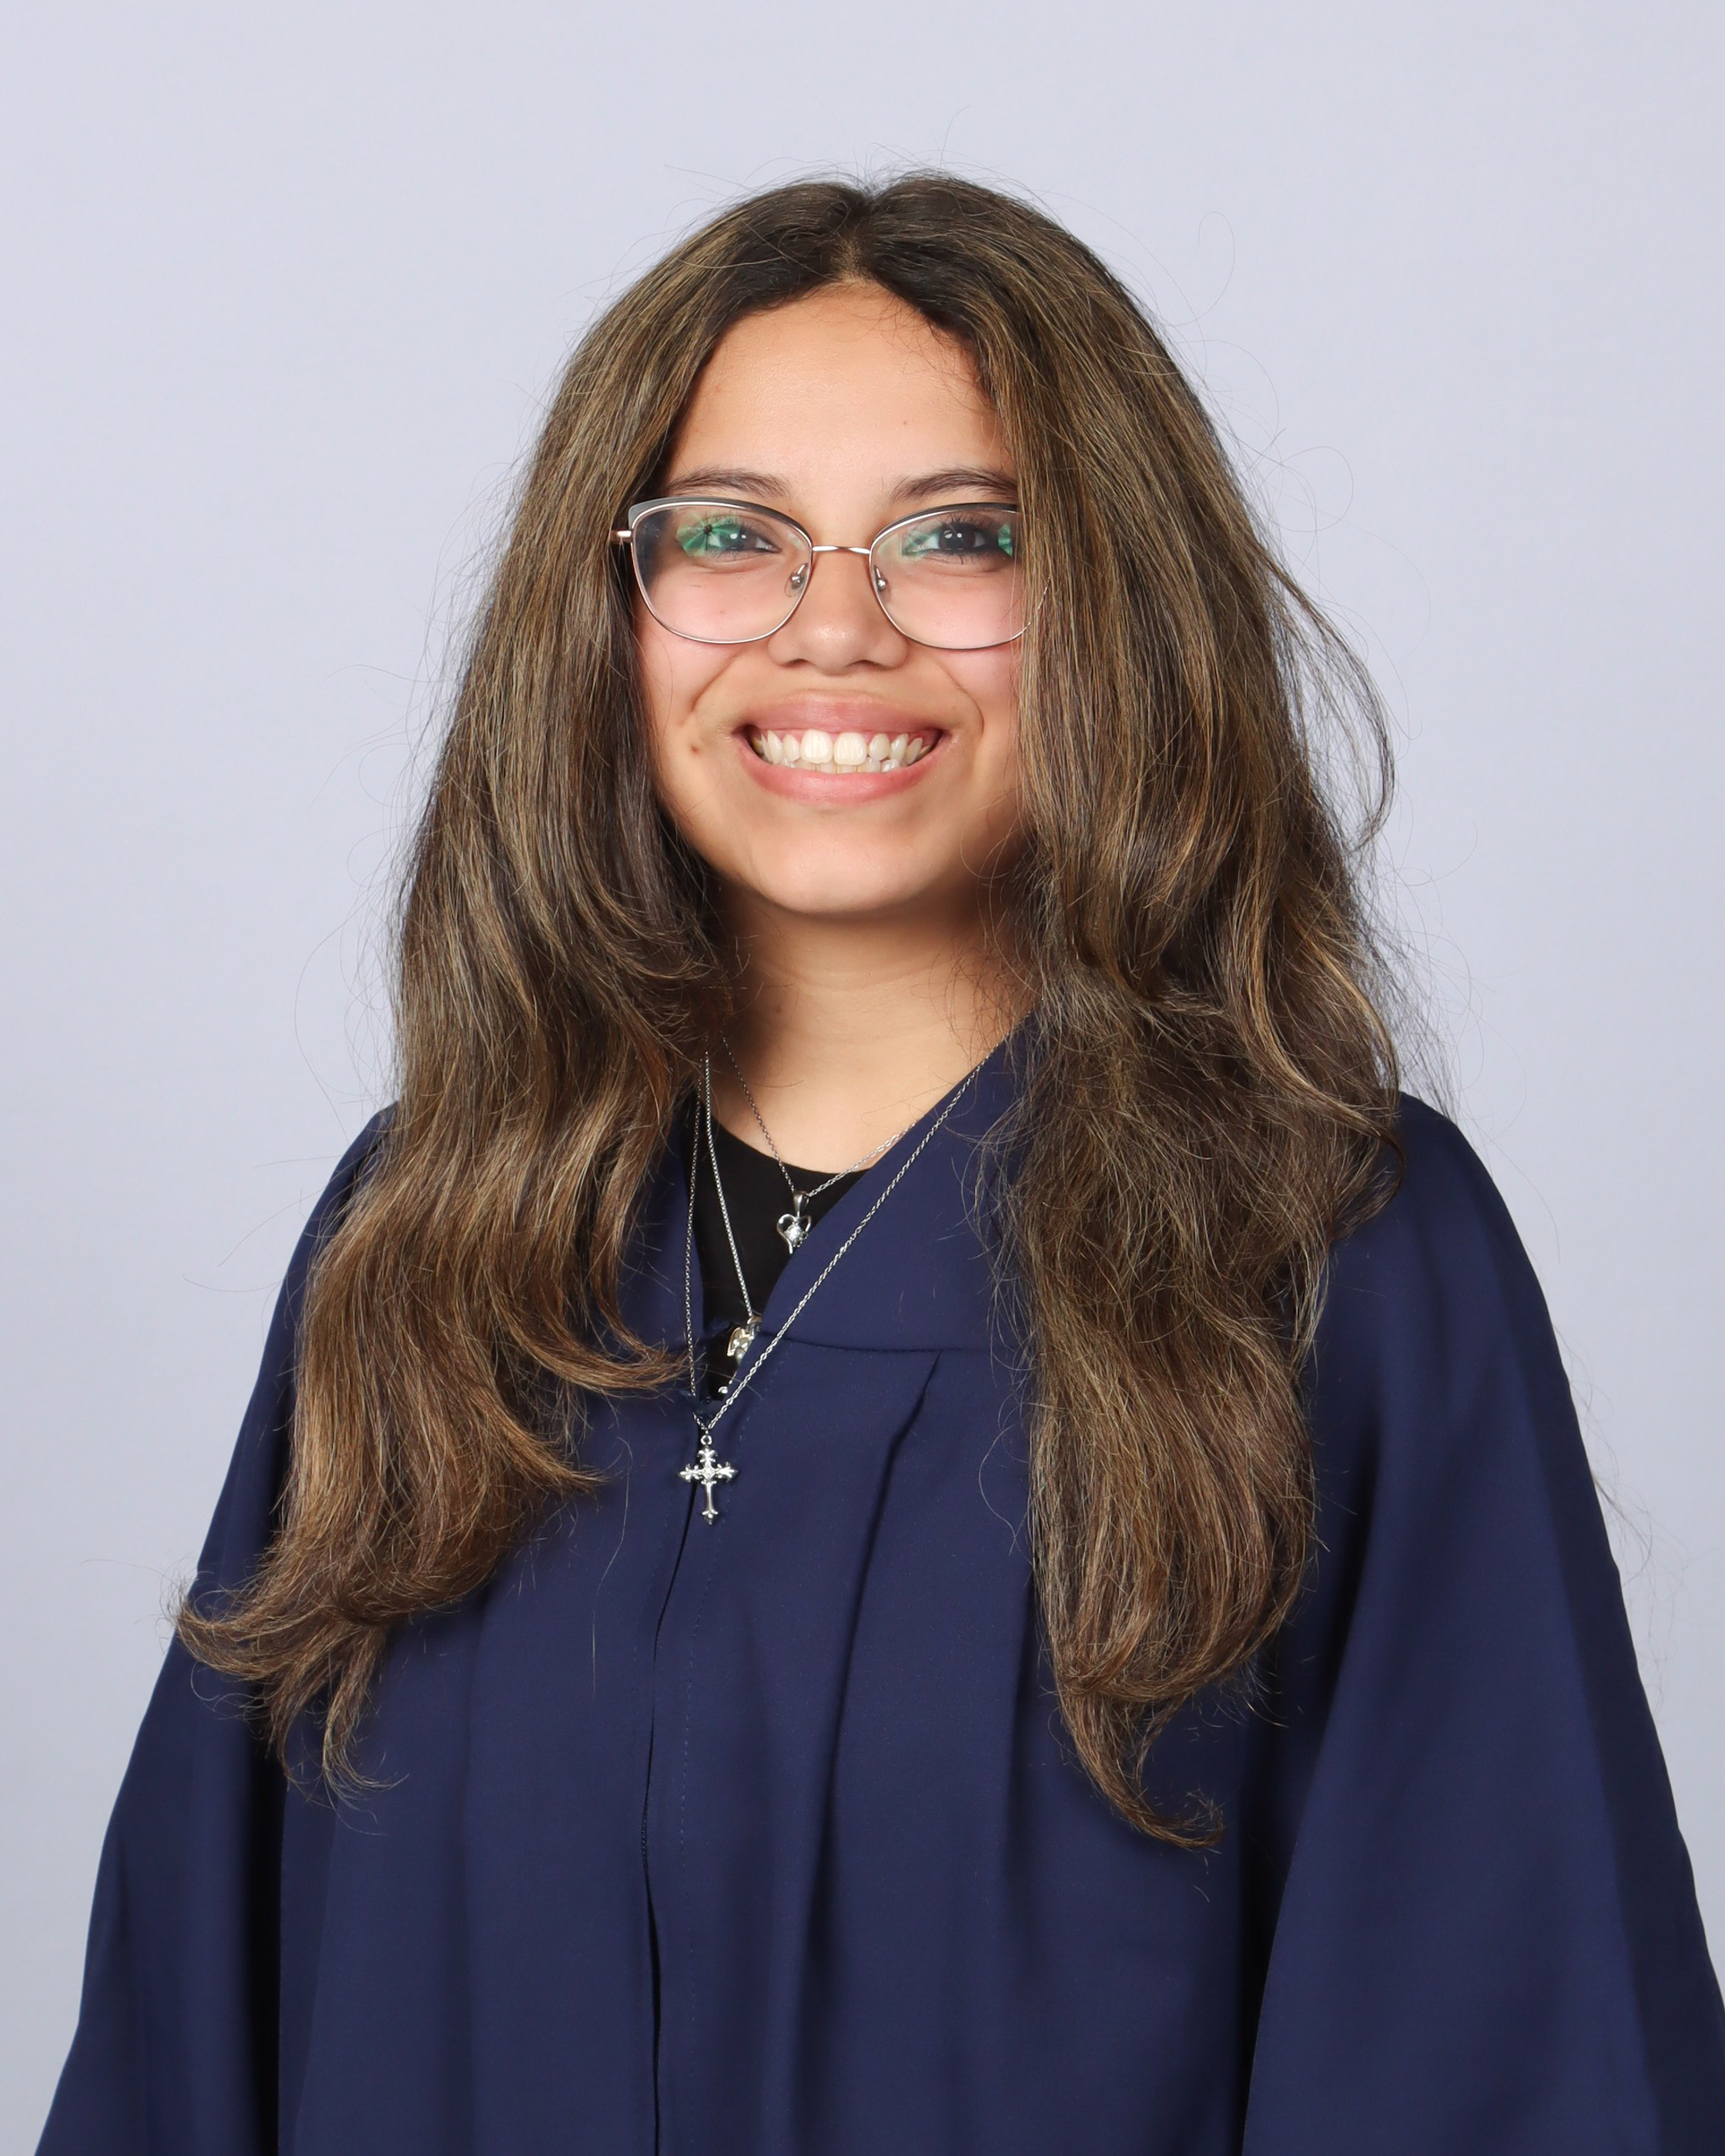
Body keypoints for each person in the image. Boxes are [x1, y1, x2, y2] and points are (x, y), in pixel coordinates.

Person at [37, 173, 1725, 2155]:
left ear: (1113, 608)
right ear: (614, 611)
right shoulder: (432, 1235)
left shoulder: (1331, 1254)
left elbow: (1508, 2047)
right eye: (729, 535)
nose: (831, 626)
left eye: (959, 537)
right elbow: (187, 2039)